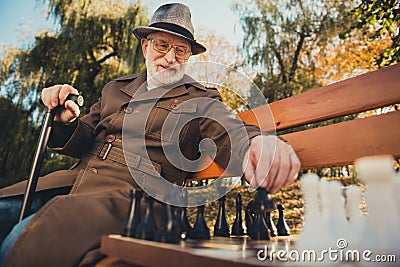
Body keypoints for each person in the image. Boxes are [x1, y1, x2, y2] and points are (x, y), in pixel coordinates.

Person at [0, 3, 300, 266]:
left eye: (181, 50)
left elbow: (227, 129)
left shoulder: (200, 97)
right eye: (161, 45)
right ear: (145, 46)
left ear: (188, 56)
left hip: (135, 199)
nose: (170, 57)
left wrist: (256, 142)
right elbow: (85, 137)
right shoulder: (115, 88)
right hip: (71, 183)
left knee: (22, 240)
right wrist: (66, 120)